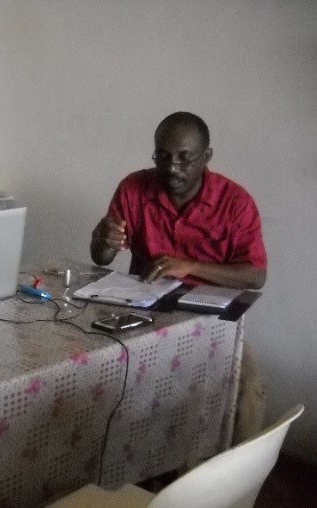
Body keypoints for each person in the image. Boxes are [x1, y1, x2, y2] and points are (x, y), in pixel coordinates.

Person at [90, 111, 267, 442]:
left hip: (214, 318)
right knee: (97, 373)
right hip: (145, 311)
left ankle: (236, 483)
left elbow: (256, 275)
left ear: (206, 157)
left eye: (185, 158)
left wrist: (191, 266)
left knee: (248, 389)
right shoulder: (133, 188)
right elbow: (100, 258)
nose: (172, 167)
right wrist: (102, 240)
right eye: (163, 156)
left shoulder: (235, 203)